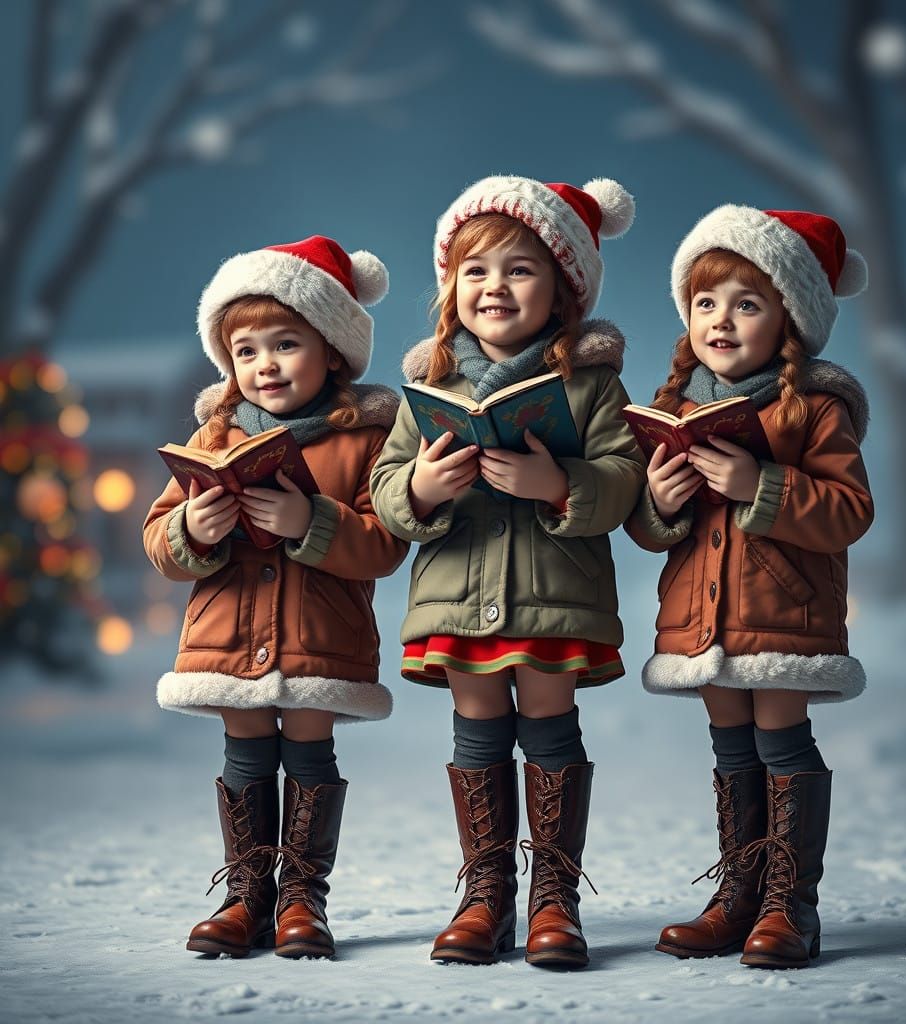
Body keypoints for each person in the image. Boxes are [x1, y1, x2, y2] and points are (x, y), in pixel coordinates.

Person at [370, 175, 645, 968]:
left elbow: (623, 478)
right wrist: (421, 489)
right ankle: (484, 892)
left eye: (519, 270)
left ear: (561, 291)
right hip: (459, 596)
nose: (495, 287)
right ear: (451, 288)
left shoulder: (591, 384)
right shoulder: (427, 386)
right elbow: (387, 490)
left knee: (550, 727)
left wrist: (558, 485)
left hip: (554, 595)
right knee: (479, 732)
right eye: (476, 271)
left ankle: (554, 898)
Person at [143, 235, 408, 959]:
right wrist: (194, 527)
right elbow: (158, 538)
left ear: (331, 350)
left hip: (319, 635)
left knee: (308, 752)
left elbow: (385, 543)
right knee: (246, 755)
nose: (265, 365)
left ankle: (302, 899)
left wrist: (308, 522)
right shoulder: (215, 435)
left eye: (286, 344)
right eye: (247, 350)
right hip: (228, 635)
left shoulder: (365, 438)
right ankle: (246, 894)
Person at [626, 206, 873, 969]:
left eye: (747, 303)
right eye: (706, 303)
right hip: (703, 617)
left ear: (790, 319)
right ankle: (740, 892)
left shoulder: (814, 408)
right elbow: (648, 528)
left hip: (784, 611)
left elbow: (850, 511)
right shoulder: (675, 410)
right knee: (732, 748)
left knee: (780, 740)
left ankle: (789, 905)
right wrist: (659, 502)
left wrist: (757, 483)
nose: (721, 320)